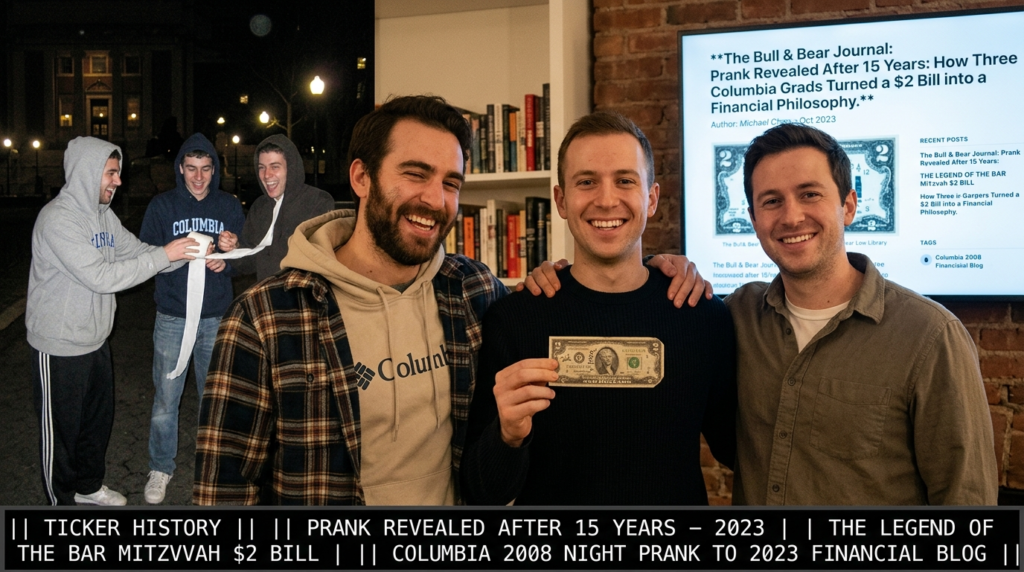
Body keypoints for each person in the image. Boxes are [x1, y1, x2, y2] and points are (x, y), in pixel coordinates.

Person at [530, 123, 998, 505]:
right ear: (753, 220)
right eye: (771, 201)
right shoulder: (735, 316)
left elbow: (967, 501)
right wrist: (637, 268)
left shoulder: (929, 336)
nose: (791, 217)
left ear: (849, 205)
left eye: (810, 194)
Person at [192, 95, 508, 505]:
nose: (436, 199)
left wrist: (557, 282)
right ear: (361, 178)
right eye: (415, 174)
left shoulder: (474, 291)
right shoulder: (263, 318)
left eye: (451, 183)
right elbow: (224, 491)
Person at [460, 112, 736, 506]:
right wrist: (506, 436)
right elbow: (482, 492)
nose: (606, 200)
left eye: (625, 180)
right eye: (587, 182)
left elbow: (741, 451)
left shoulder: (702, 316)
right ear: (561, 200)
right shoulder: (515, 319)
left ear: (651, 198)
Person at [26, 136, 198, 506]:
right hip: (59, 345)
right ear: (87, 172)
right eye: (111, 173)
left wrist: (185, 253)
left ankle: (88, 487)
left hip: (96, 340)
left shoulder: (104, 215)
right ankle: (60, 502)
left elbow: (138, 252)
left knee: (95, 422)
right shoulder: (58, 219)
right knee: (62, 434)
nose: (118, 181)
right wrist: (165, 255)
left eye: (117, 172)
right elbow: (102, 277)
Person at [138, 133, 245, 504]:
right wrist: (171, 256)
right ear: (180, 169)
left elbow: (244, 258)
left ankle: (212, 465)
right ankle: (160, 467)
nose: (198, 177)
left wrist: (229, 256)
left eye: (205, 168)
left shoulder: (229, 205)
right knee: (166, 400)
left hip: (215, 317)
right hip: (172, 316)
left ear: (214, 170)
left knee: (212, 398)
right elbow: (145, 257)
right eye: (191, 168)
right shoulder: (161, 206)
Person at [217, 134, 334, 281]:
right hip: (268, 293)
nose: (267, 175)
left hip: (303, 293)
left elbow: (323, 261)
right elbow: (250, 264)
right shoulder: (260, 208)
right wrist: (235, 247)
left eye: (275, 167)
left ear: (290, 168)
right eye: (262, 168)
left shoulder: (317, 202)